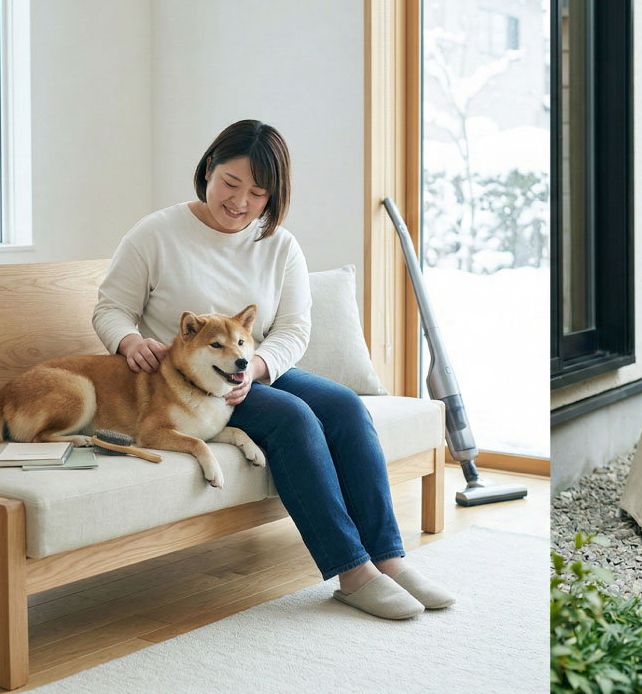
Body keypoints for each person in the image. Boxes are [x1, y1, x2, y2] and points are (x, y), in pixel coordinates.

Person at [92, 119, 453, 620]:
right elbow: (110, 308)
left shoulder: (280, 245)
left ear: (273, 196)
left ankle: (389, 559)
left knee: (346, 407)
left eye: (257, 193)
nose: (239, 202)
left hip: (252, 370)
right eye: (230, 183)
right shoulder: (157, 233)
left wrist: (258, 367)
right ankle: (353, 572)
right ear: (208, 171)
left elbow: (294, 329)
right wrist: (128, 341)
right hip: (184, 386)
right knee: (293, 419)